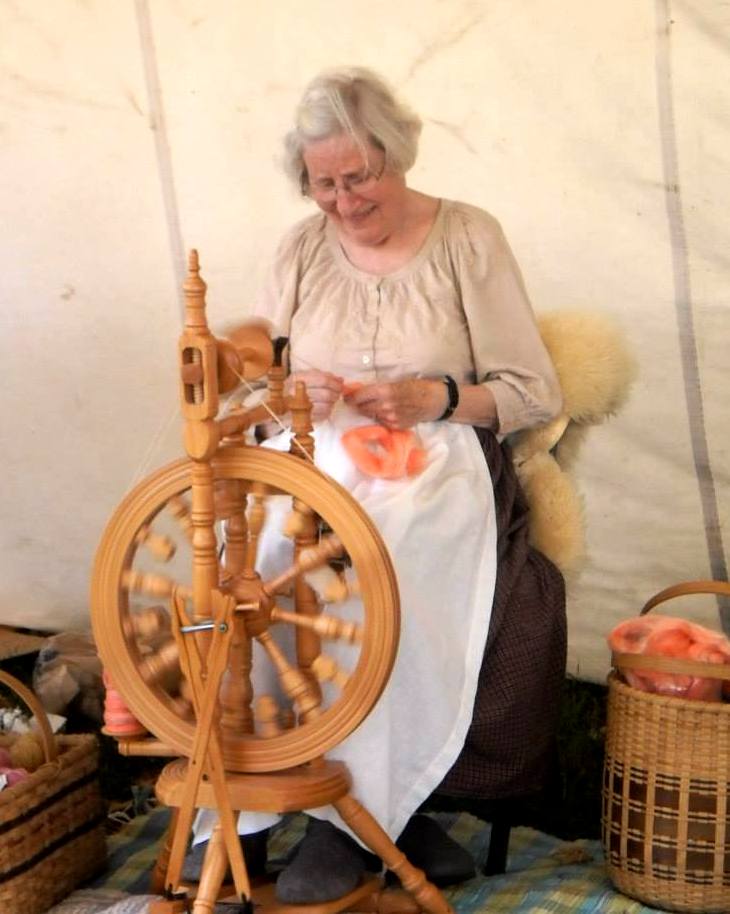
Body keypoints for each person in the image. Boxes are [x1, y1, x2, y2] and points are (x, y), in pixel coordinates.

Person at [190, 66, 565, 903]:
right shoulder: (298, 247)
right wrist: (291, 392)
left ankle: (355, 819)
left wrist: (434, 394)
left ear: (397, 157)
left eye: (358, 178)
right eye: (323, 184)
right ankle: (253, 800)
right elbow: (259, 373)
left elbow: (535, 390)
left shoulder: (469, 237)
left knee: (373, 564)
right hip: (317, 451)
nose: (344, 201)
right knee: (262, 559)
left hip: (435, 457)